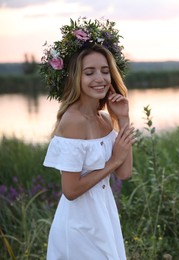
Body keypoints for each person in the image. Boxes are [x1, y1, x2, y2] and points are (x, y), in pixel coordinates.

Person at [40, 17, 136, 259]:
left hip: (103, 216)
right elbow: (71, 190)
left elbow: (125, 174)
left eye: (105, 71)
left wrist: (123, 118)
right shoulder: (73, 121)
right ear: (76, 78)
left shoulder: (104, 119)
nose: (100, 79)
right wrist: (113, 161)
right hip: (78, 225)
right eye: (89, 72)